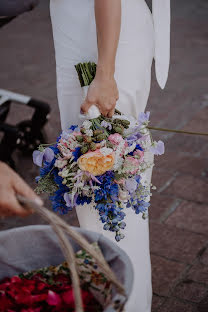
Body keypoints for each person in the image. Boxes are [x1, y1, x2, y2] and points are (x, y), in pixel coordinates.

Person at [50, 0, 170, 310]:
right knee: (104, 193)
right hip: (95, 35)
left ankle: (125, 303)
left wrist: (104, 72)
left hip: (99, 42)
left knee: (108, 194)